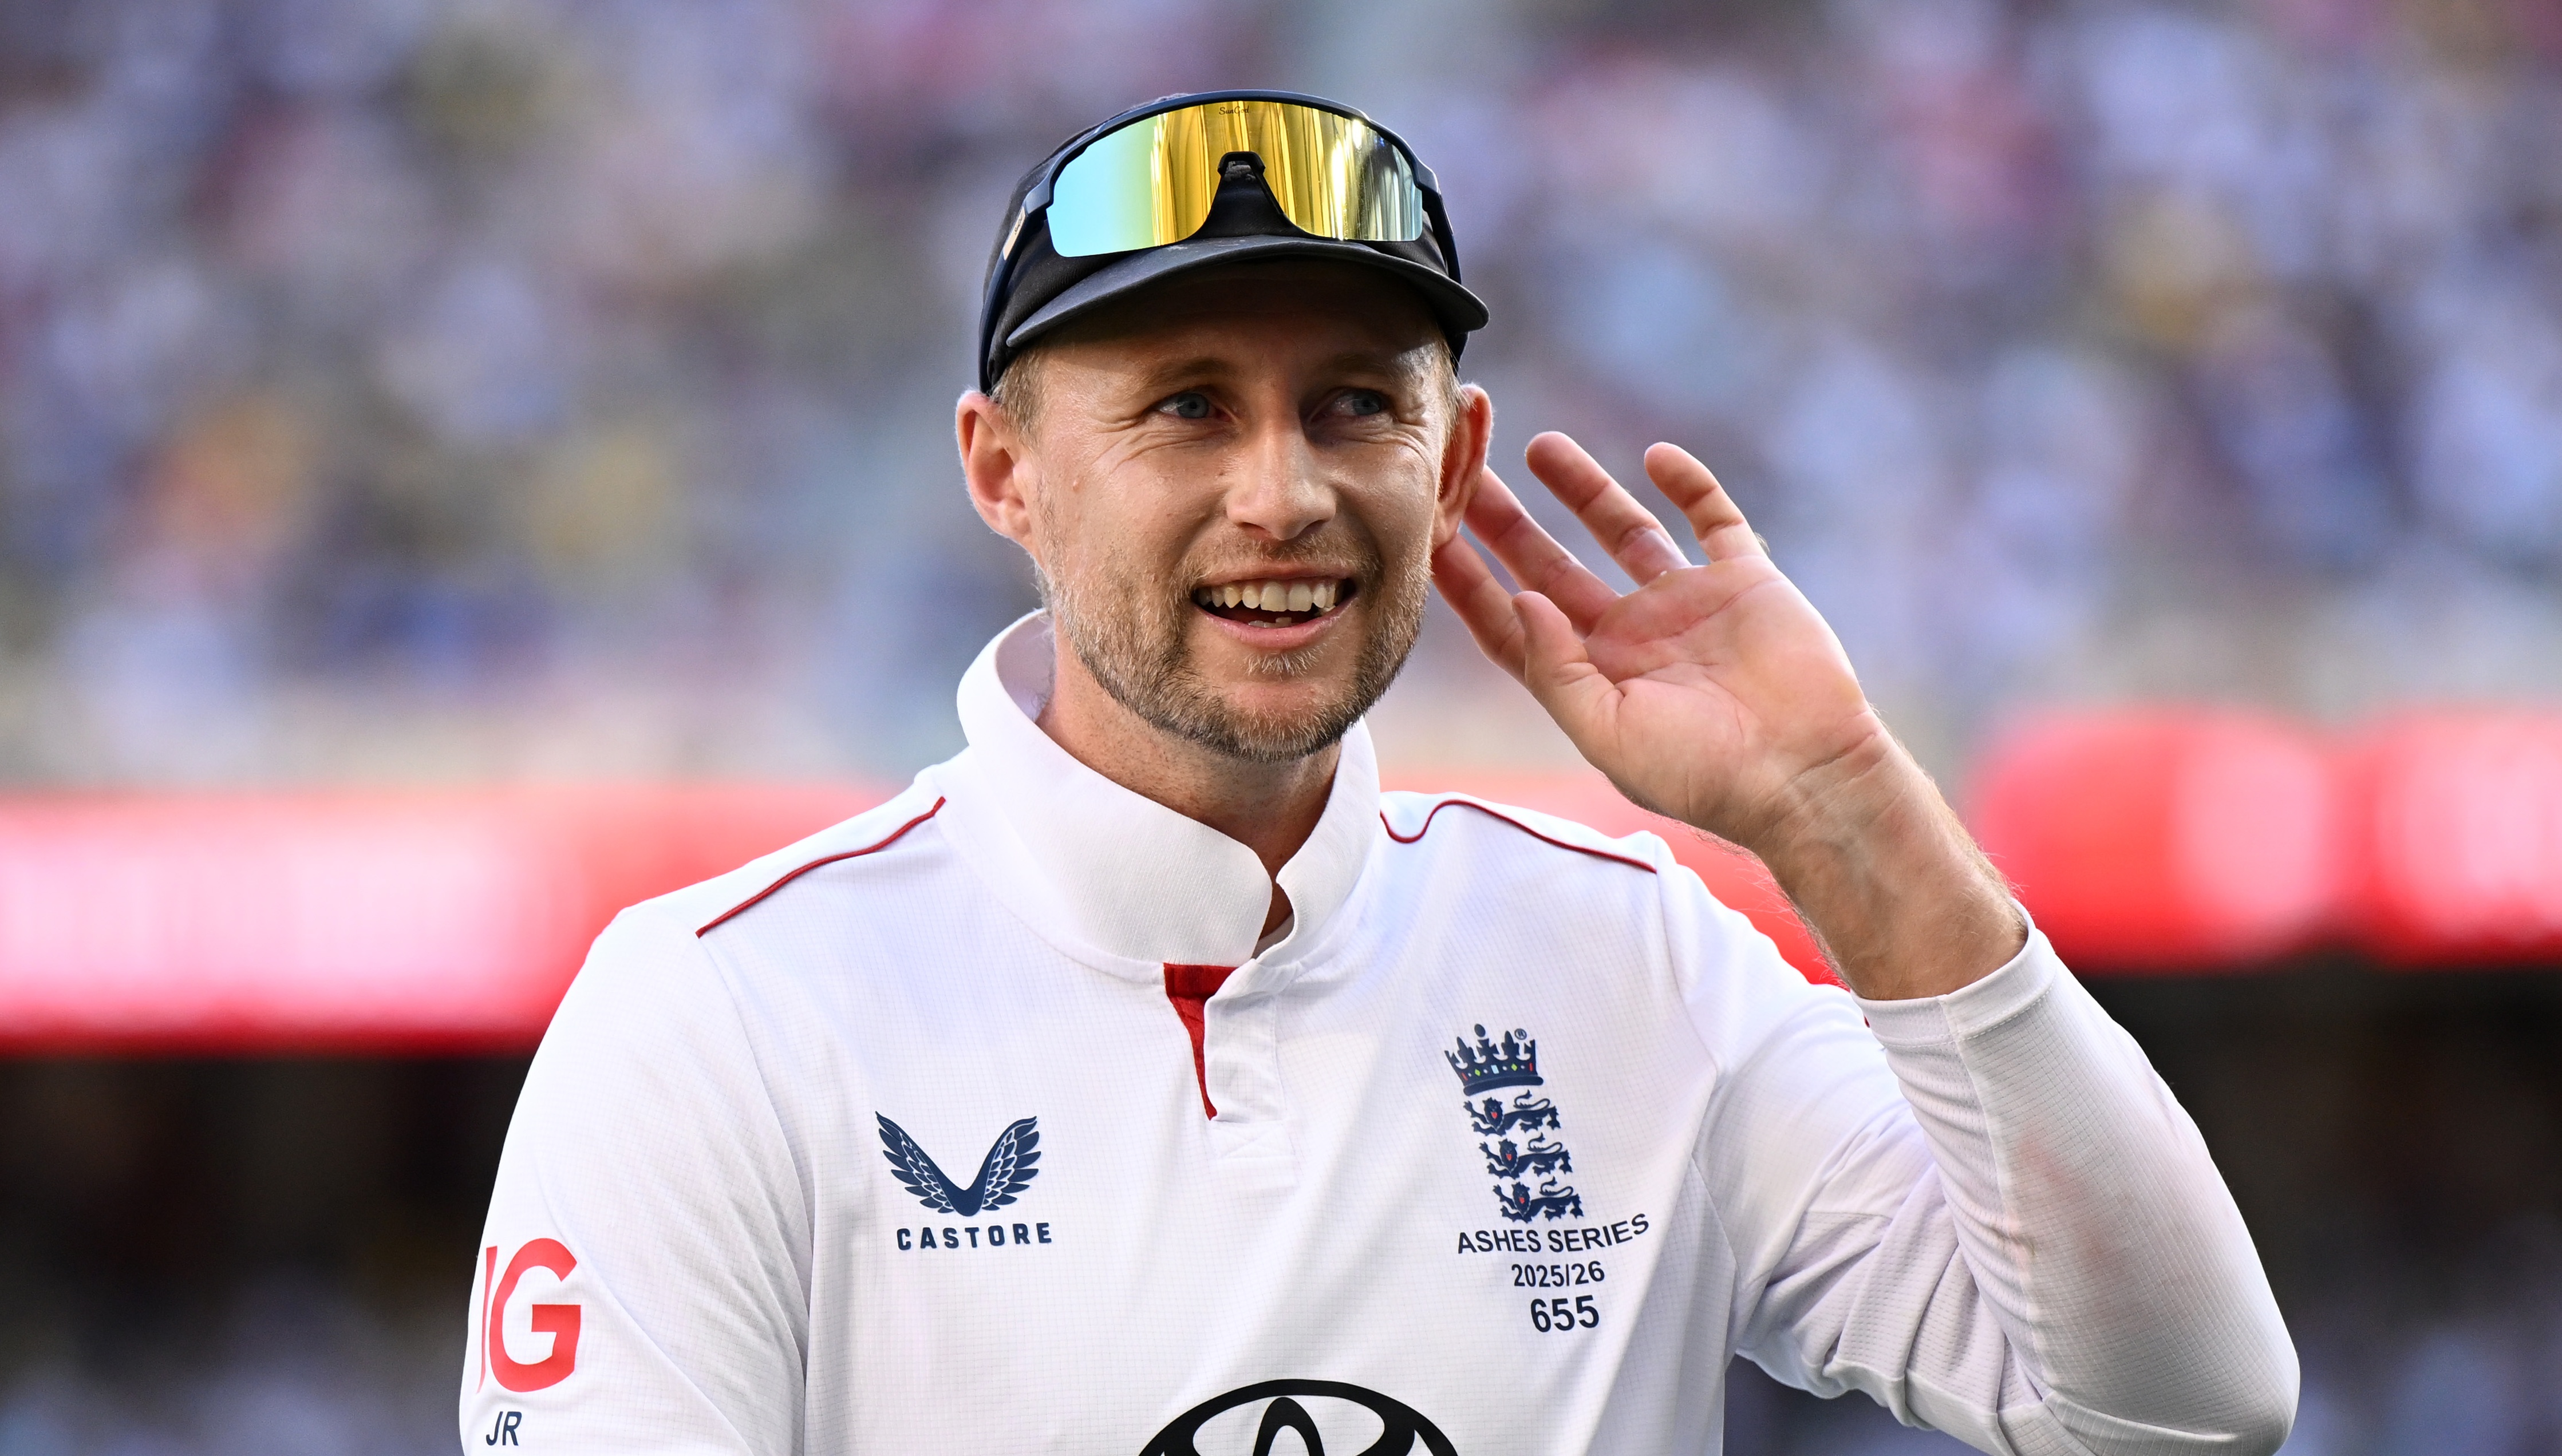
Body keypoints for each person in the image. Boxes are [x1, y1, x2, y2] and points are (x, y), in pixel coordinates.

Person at [461, 92, 2296, 1455]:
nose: (1282, 493)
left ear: (1454, 455)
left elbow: (2179, 1408)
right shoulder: (718, 1012)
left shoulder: (1639, 955)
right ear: (1002, 472)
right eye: (1186, 406)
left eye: (1353, 403)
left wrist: (1846, 821)